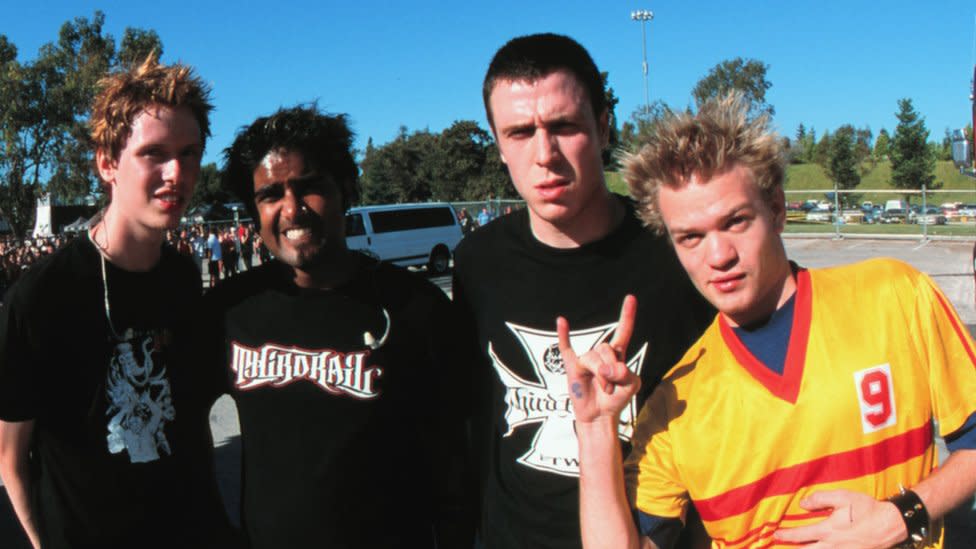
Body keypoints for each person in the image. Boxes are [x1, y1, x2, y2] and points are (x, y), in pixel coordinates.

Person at [568, 93, 976, 549]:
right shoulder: (675, 402)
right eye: (691, 238)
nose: (718, 256)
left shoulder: (895, 296)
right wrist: (594, 429)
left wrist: (902, 517)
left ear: (777, 210)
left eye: (736, 221)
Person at [452, 33, 712, 549]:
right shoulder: (478, 262)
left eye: (564, 126)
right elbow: (480, 418)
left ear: (604, 126)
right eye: (520, 132)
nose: (544, 154)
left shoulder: (673, 251)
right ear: (498, 144)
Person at [204, 105, 472, 549]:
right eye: (271, 194)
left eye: (309, 187)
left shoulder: (416, 308)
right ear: (254, 211)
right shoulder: (230, 310)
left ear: (346, 190)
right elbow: (180, 436)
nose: (292, 209)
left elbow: (454, 462)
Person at [0, 55, 233, 548]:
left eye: (189, 153)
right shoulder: (41, 297)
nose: (177, 172)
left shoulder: (184, 280)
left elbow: (194, 427)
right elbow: (11, 460)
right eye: (155, 153)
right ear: (107, 163)